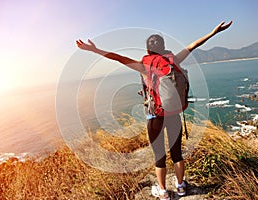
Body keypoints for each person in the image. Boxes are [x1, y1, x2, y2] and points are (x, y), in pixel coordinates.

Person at [76, 21, 232, 199]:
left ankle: (163, 191)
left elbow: (117, 57)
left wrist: (94, 50)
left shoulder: (144, 66)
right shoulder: (173, 60)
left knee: (159, 155)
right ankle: (181, 186)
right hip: (173, 114)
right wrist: (213, 32)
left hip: (155, 116)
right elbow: (193, 45)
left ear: (148, 50)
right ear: (163, 47)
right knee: (177, 153)